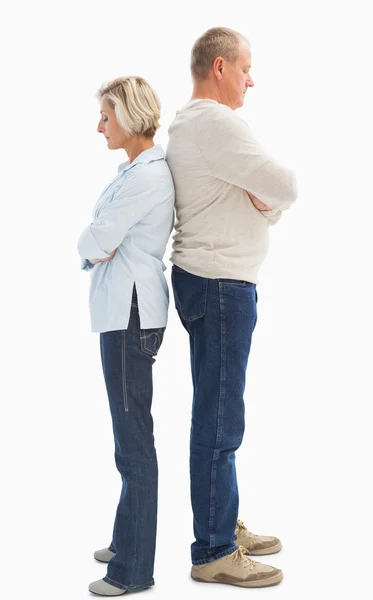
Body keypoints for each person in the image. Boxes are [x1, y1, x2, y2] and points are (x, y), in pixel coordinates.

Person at [166, 27, 297, 588]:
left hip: (210, 282)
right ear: (219, 67)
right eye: (245, 66)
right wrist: (267, 201)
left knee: (219, 414)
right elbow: (284, 184)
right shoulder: (217, 123)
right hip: (221, 286)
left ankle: (222, 525)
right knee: (220, 420)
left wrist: (264, 204)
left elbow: (268, 200)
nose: (252, 78)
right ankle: (214, 549)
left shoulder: (193, 125)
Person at [77, 76, 174, 596]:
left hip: (130, 314)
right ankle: (126, 537)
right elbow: (98, 242)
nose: (100, 126)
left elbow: (97, 237)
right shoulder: (135, 172)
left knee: (134, 442)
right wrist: (94, 245)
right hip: (124, 312)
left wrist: (90, 245)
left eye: (106, 117)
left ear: (130, 117)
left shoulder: (147, 177)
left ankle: (133, 570)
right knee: (126, 436)